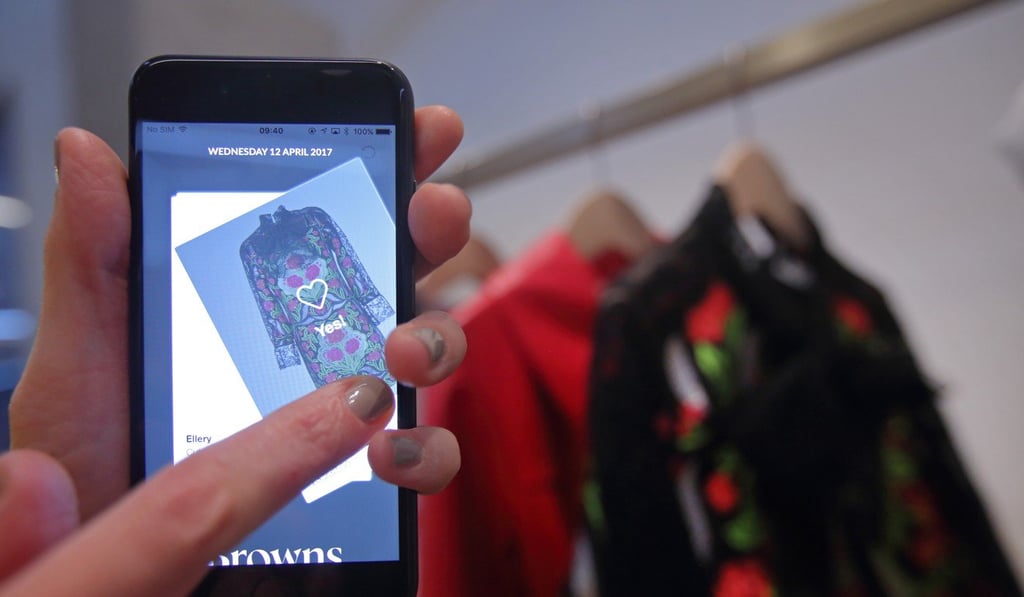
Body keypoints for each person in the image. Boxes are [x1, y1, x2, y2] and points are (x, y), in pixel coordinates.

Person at [0, 106, 472, 595]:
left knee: (381, 420)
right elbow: (269, 305)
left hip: (350, 323)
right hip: (312, 338)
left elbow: (347, 260)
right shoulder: (250, 250)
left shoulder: (314, 215)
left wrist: (374, 302)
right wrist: (288, 345)